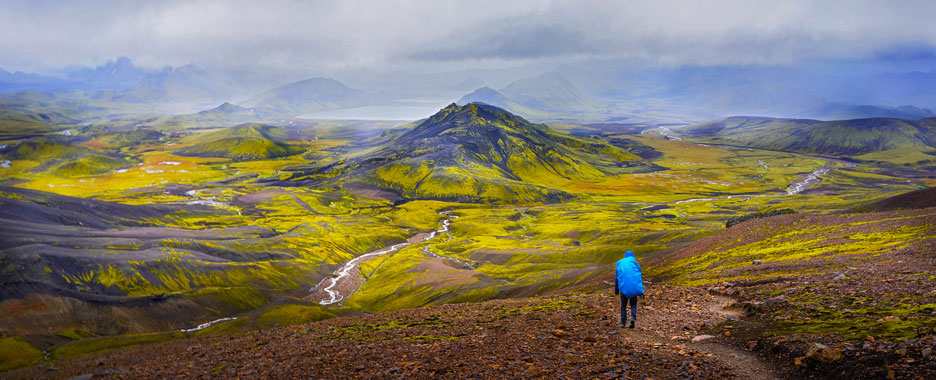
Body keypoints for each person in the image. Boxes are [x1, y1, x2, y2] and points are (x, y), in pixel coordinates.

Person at [614, 250, 644, 328]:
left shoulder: (620, 266)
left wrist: (616, 290)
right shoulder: (636, 265)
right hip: (634, 288)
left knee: (623, 305)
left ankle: (623, 322)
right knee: (633, 304)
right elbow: (639, 278)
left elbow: (617, 278)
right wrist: (640, 291)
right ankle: (632, 317)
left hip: (623, 289)